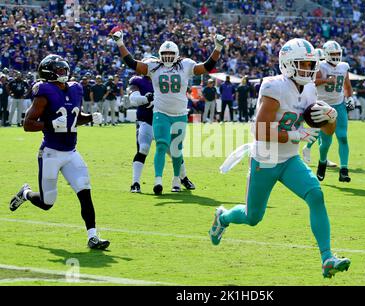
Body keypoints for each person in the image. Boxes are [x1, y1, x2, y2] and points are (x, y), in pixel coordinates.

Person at [209, 38, 350, 279]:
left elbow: (327, 130)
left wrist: (331, 117)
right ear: (287, 64)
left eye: (311, 63)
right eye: (303, 63)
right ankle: (223, 217)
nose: (309, 68)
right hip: (266, 156)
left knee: (316, 194)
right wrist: (297, 134)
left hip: (289, 159)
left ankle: (327, 258)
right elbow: (260, 130)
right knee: (253, 217)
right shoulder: (275, 87)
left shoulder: (310, 88)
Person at [8, 54, 109, 249]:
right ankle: (26, 193)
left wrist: (89, 118)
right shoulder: (43, 93)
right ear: (49, 73)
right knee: (47, 203)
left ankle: (93, 236)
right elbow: (27, 124)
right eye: (59, 70)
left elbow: (74, 117)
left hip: (71, 152)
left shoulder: (75, 89)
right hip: (51, 153)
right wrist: (50, 124)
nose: (64, 73)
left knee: (85, 192)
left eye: (64, 69)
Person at [110, 27, 225, 194]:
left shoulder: (185, 65)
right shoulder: (152, 68)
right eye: (165, 54)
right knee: (156, 147)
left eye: (171, 54)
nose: (168, 58)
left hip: (178, 114)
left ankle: (178, 180)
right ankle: (150, 181)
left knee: (176, 150)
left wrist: (218, 48)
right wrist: (120, 43)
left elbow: (207, 67)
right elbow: (132, 63)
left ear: (177, 54)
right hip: (156, 115)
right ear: (159, 55)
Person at [127, 71, 195, 193]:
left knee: (174, 151)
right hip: (146, 122)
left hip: (164, 122)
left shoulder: (164, 78)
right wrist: (145, 98)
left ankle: (183, 178)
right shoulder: (138, 81)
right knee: (143, 149)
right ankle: (135, 182)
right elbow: (133, 98)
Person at [313, 40, 355, 182]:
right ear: (326, 54)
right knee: (326, 142)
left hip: (339, 105)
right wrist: (326, 80)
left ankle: (344, 169)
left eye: (338, 53)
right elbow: (313, 81)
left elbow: (347, 86)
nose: (336, 56)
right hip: (323, 106)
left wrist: (350, 98)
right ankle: (322, 161)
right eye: (333, 54)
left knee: (343, 137)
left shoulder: (343, 67)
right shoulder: (320, 65)